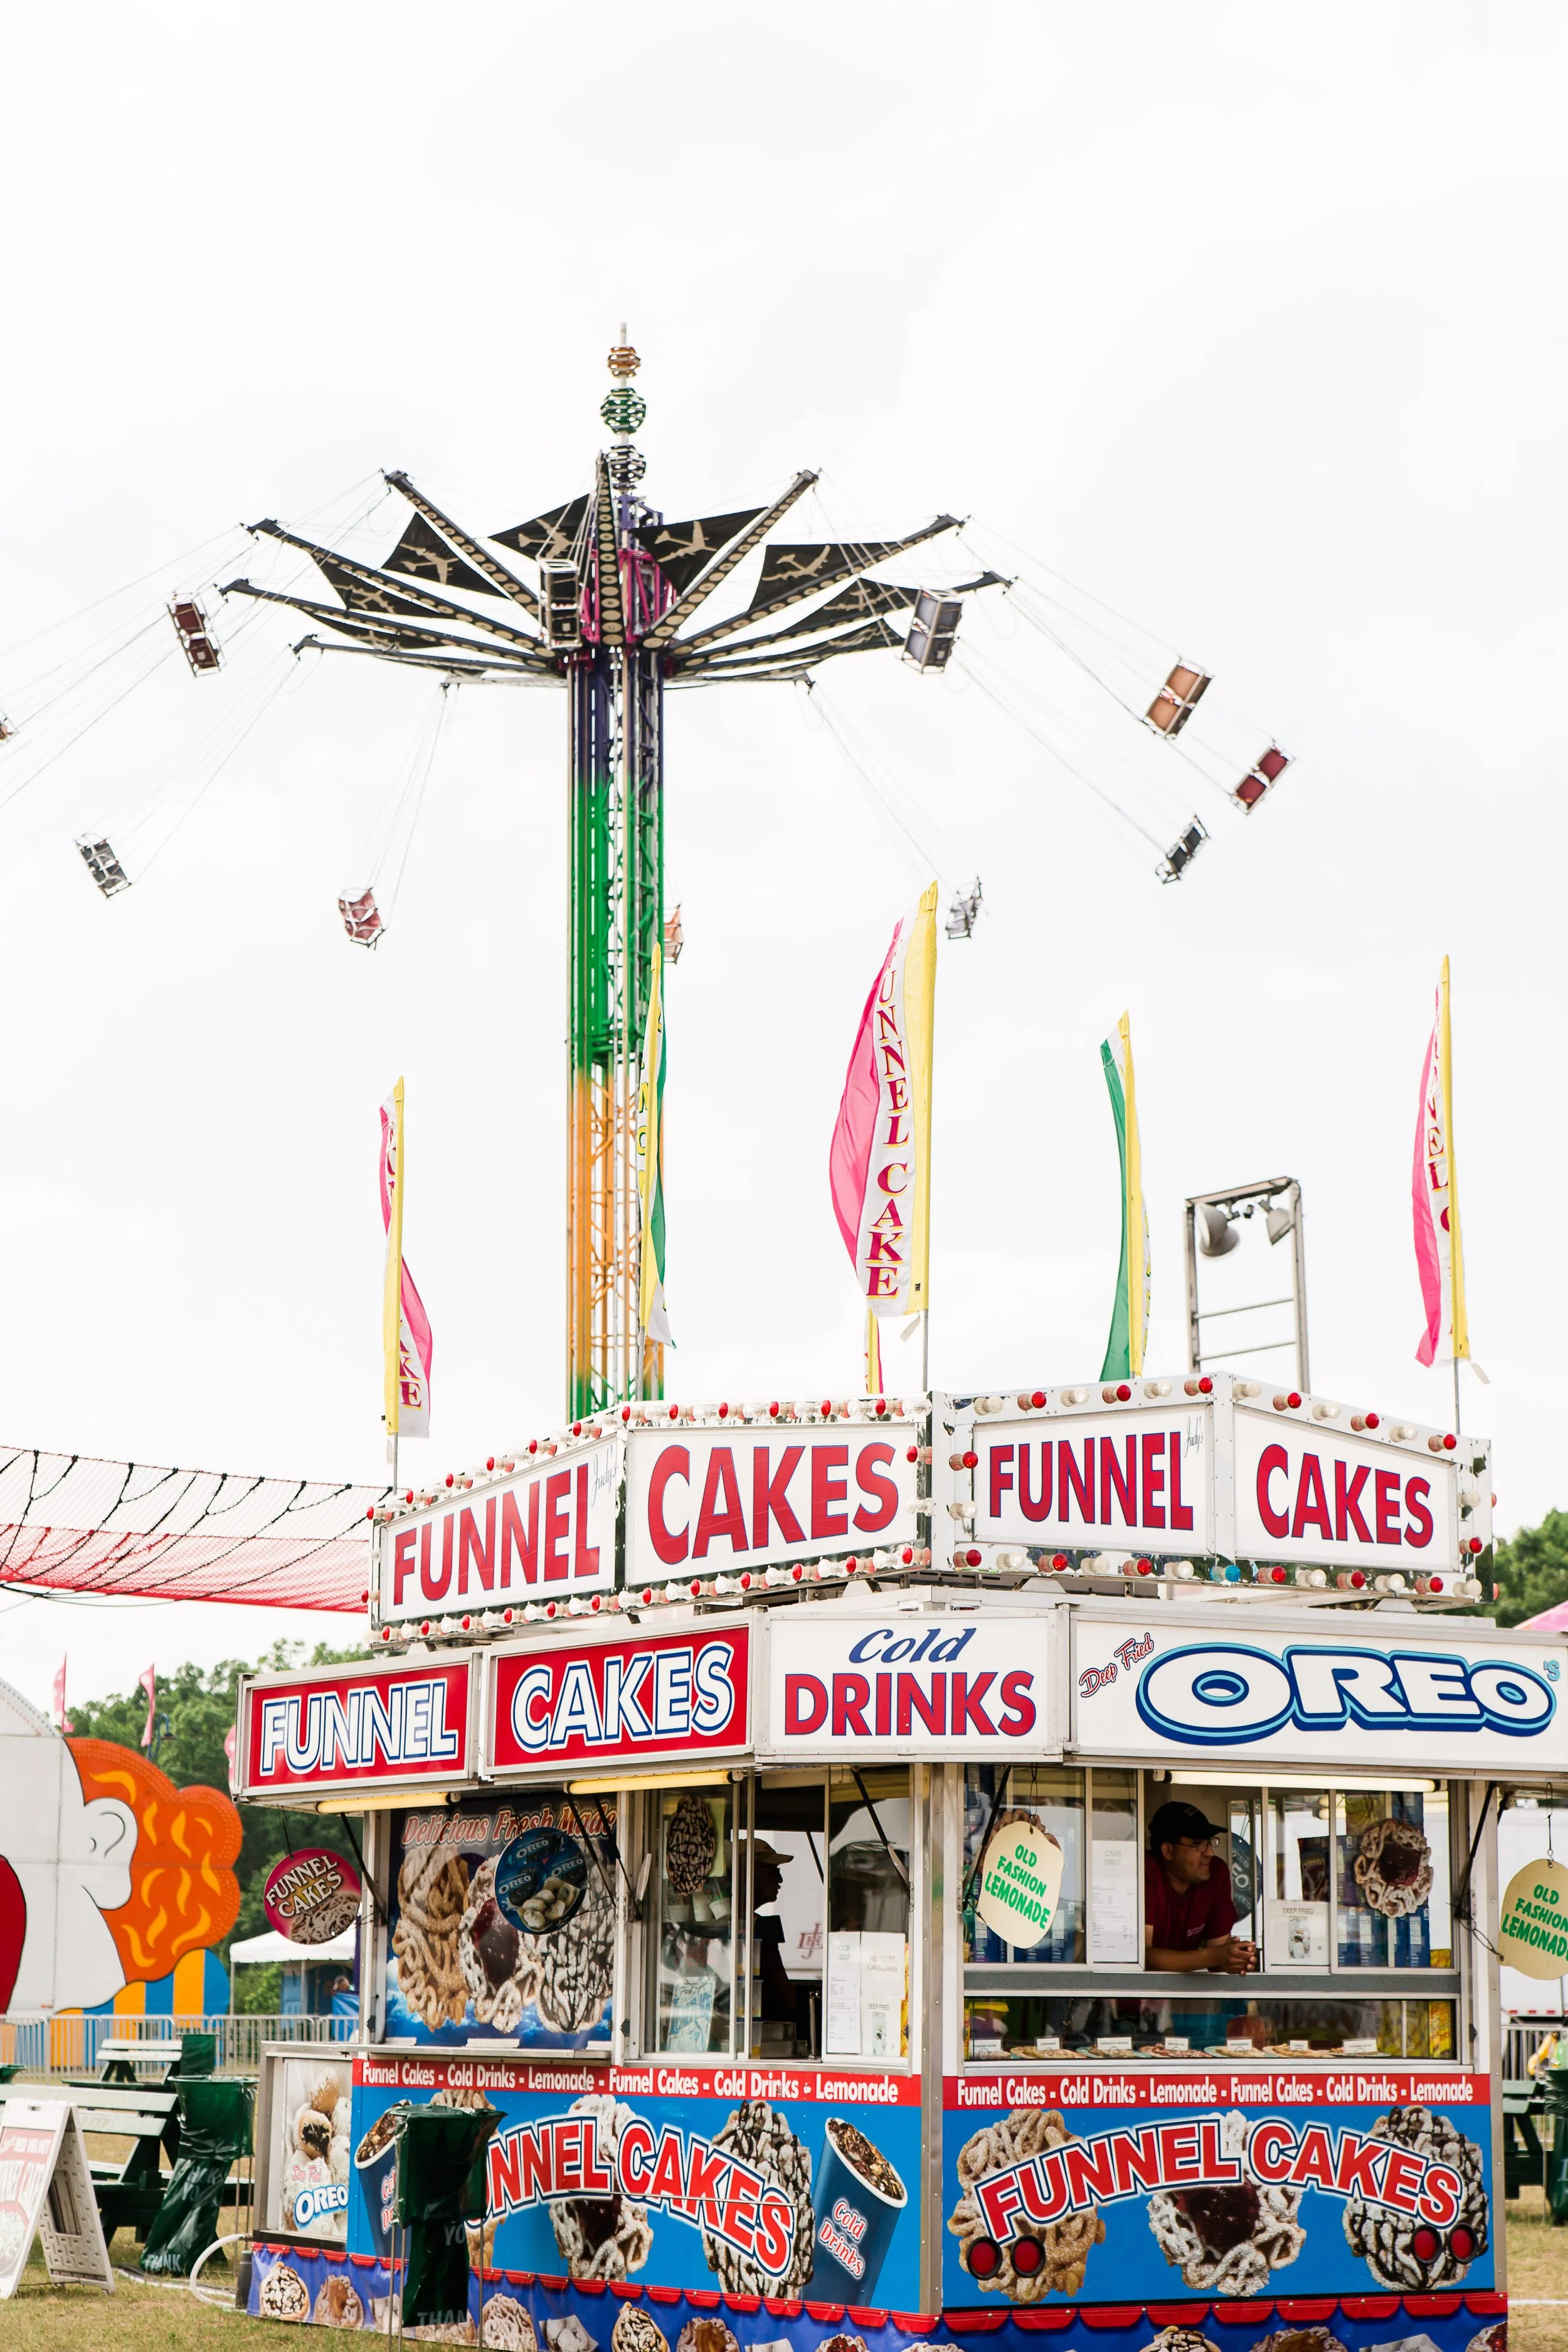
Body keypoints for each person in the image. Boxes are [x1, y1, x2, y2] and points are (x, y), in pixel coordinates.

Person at [1144, 1799, 1256, 1974]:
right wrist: (1216, 1956)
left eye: (1210, 1842)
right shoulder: (1145, 1870)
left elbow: (1217, 1952)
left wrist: (1234, 1957)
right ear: (1168, 1851)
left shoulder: (1215, 1872)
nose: (1209, 1852)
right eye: (1198, 1844)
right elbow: (1144, 1957)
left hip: (1187, 1998)